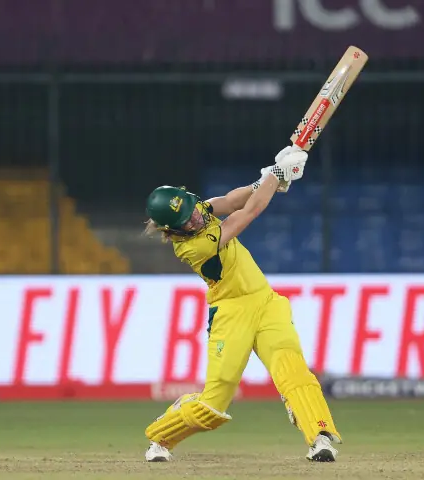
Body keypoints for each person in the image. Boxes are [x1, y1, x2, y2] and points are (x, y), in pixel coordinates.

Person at [141, 147, 342, 462]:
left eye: (192, 209)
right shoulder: (193, 247)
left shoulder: (198, 210)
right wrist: (275, 176)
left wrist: (270, 177)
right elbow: (246, 214)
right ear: (173, 230)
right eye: (186, 220)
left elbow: (235, 200)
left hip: (266, 302)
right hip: (230, 313)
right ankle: (161, 439)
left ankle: (320, 437)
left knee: (292, 369)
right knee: (215, 402)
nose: (195, 217)